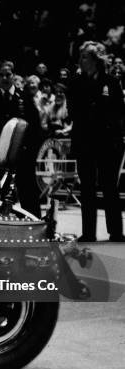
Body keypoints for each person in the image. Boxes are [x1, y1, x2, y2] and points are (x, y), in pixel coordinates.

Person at [68, 41, 125, 242]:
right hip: (85, 143)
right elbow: (73, 111)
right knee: (88, 188)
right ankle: (89, 232)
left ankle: (116, 232)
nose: (80, 60)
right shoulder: (74, 83)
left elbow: (119, 113)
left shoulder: (111, 82)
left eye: (84, 56)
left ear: (95, 60)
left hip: (108, 144)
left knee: (110, 187)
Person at [0, 60, 42, 217]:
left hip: (22, 154)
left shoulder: (24, 97)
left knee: (28, 191)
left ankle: (34, 225)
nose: (5, 78)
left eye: (8, 74)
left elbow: (35, 127)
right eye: (1, 75)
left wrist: (31, 152)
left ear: (14, 76)